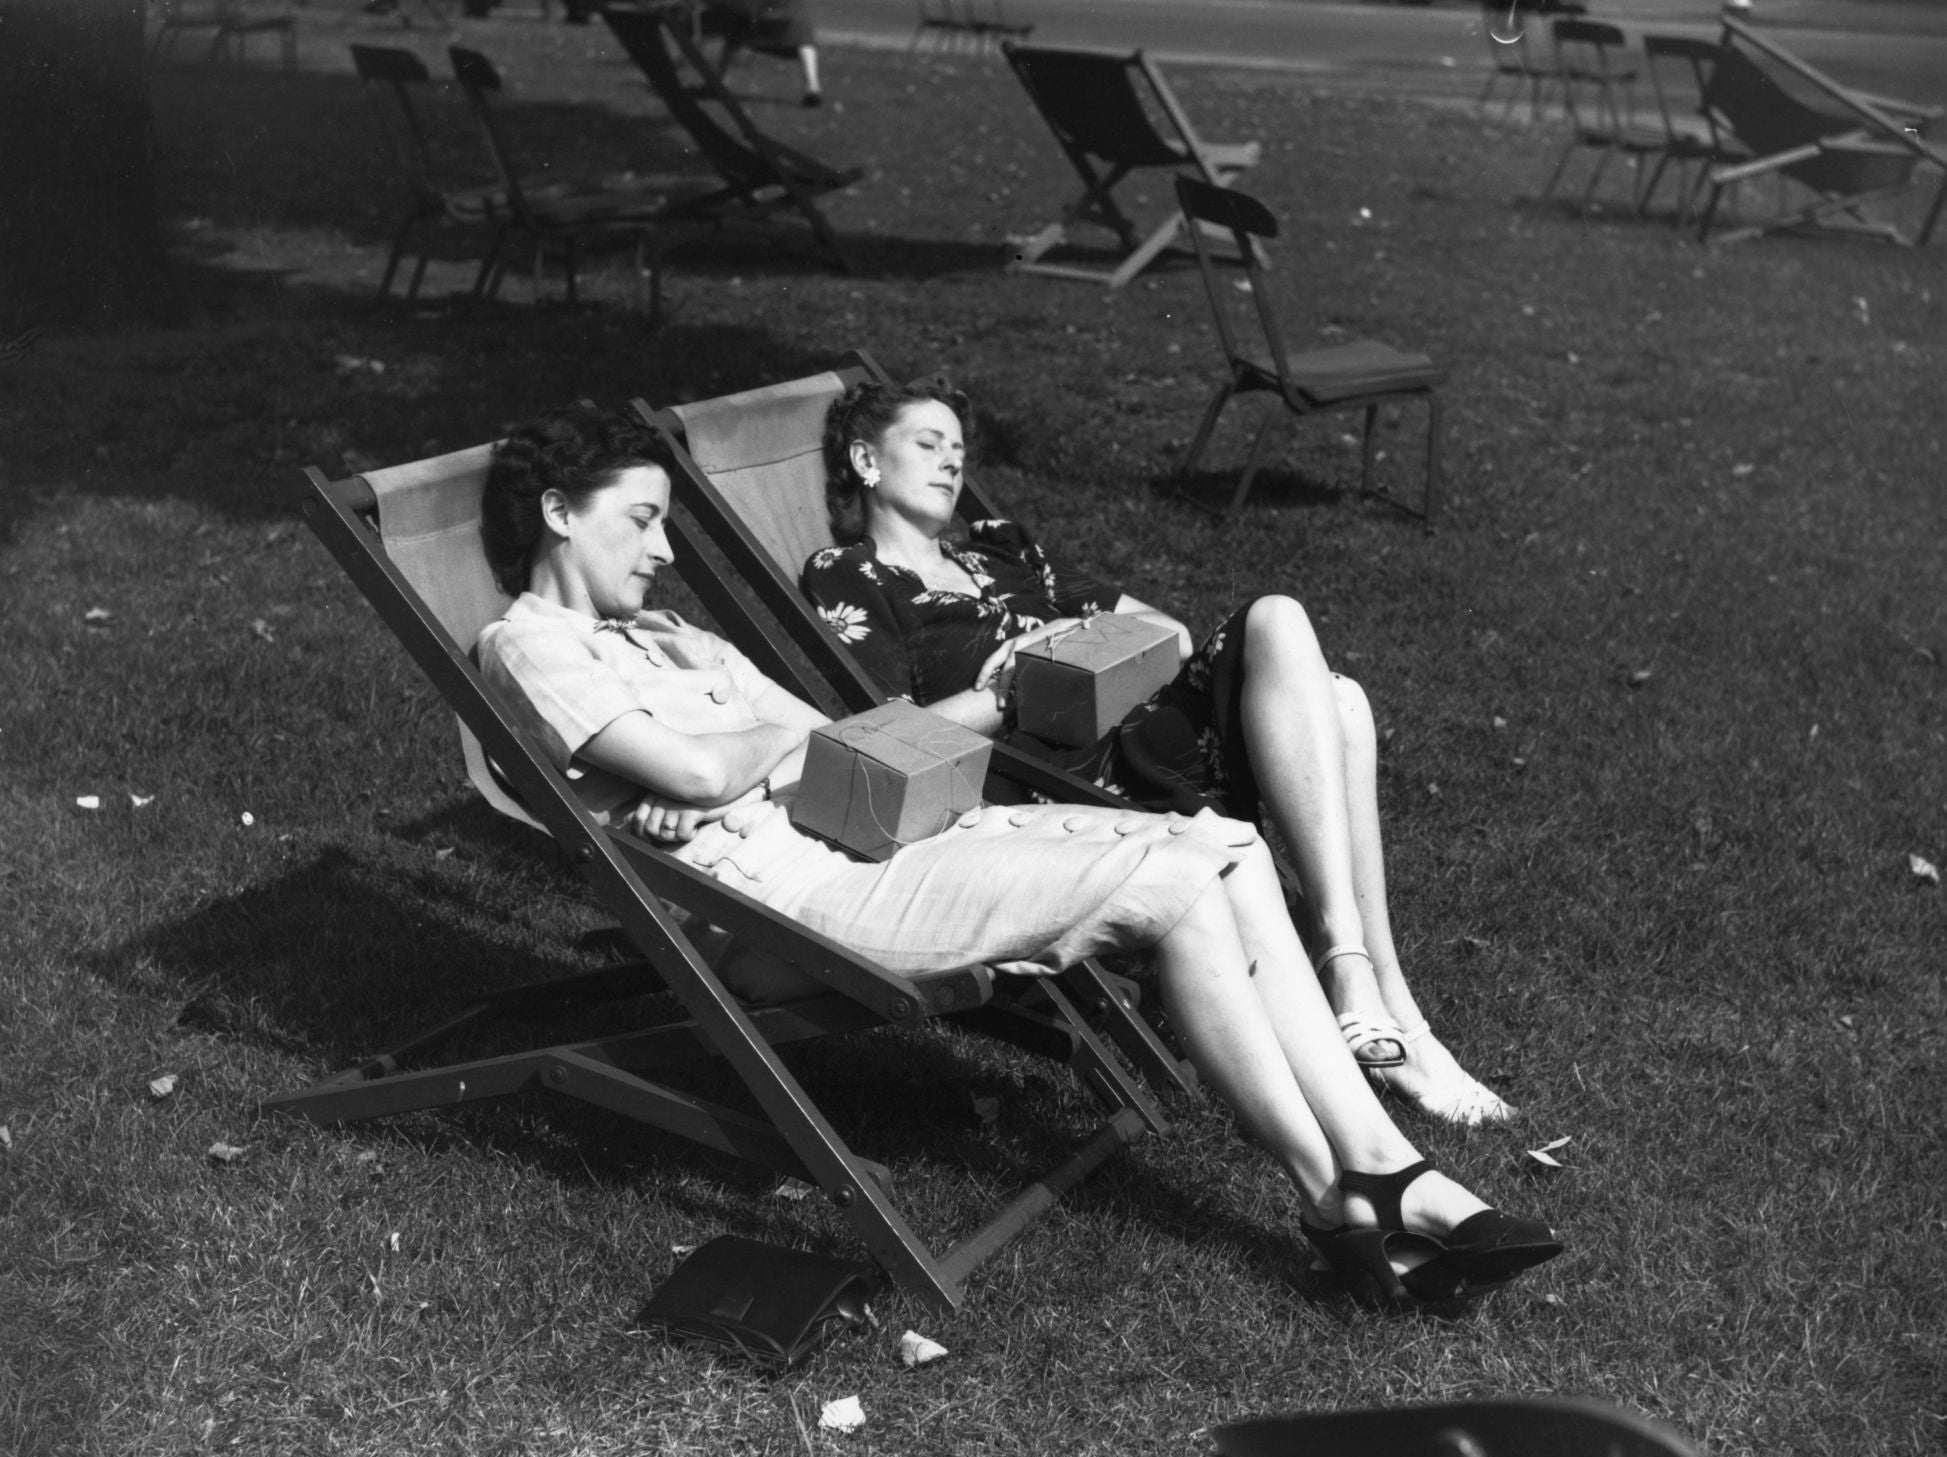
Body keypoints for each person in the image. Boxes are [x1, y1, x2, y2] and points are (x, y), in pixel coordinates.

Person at [473, 404, 1562, 1309]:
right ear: (559, 514)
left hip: (858, 837)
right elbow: (726, 771)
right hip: (793, 902)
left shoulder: (673, 639)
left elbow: (830, 746)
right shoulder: (527, 644)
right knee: (1173, 882)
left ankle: (1376, 1177)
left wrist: (723, 762)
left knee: (1222, 842)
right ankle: (1351, 1192)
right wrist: (720, 768)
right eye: (642, 523)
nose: (665, 553)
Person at [800, 379, 1511, 1126]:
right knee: (1334, 699)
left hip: (1149, 733)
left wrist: (1065, 643)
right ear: (865, 460)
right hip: (1055, 778)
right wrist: (1015, 682)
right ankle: (1383, 1005)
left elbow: (1165, 634)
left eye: (958, 448)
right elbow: (882, 743)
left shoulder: (1000, 547)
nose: (951, 462)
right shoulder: (850, 575)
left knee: (1303, 651)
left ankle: (1359, 972)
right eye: (927, 443)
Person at [699, 0, 824, 107]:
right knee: (803, 38)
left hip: (764, 15)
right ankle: (813, 88)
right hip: (768, 14)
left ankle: (813, 88)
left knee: (801, 34)